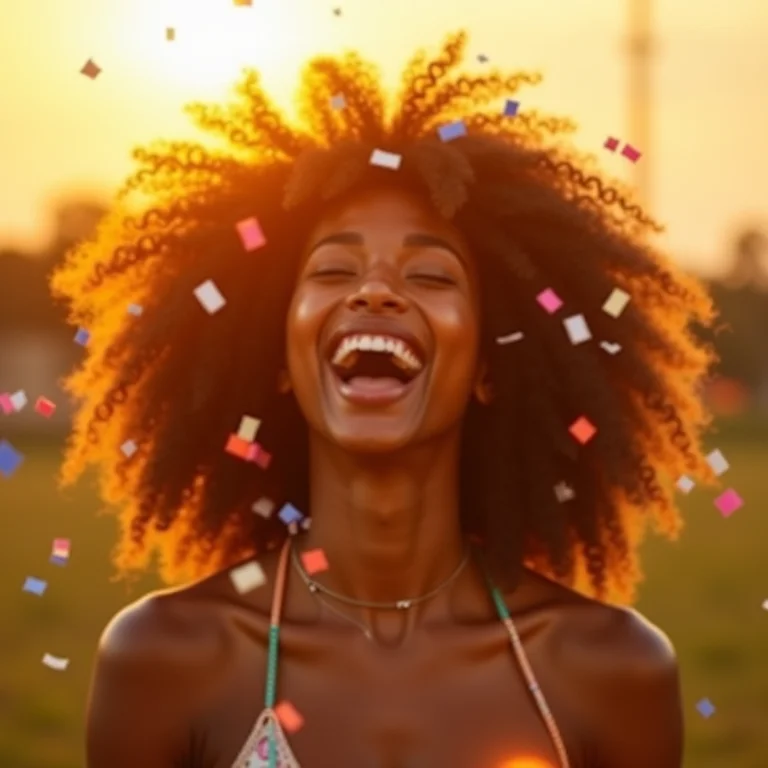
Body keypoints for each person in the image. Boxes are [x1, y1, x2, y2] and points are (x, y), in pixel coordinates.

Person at [51, 31, 717, 768]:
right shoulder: (163, 660)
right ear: (278, 358)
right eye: (334, 271)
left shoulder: (612, 670)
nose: (374, 290)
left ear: (492, 367)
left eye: (430, 277)